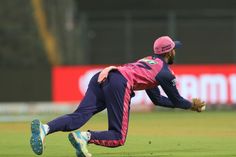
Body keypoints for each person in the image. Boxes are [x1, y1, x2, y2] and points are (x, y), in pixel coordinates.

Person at [30, 36, 206, 157]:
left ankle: (44, 129)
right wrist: (192, 105)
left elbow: (157, 99)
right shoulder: (165, 73)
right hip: (118, 83)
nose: (175, 52)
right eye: (174, 49)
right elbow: (176, 100)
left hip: (103, 75)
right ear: (169, 53)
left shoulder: (147, 61)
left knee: (79, 116)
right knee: (118, 137)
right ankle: (84, 137)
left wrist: (186, 104)